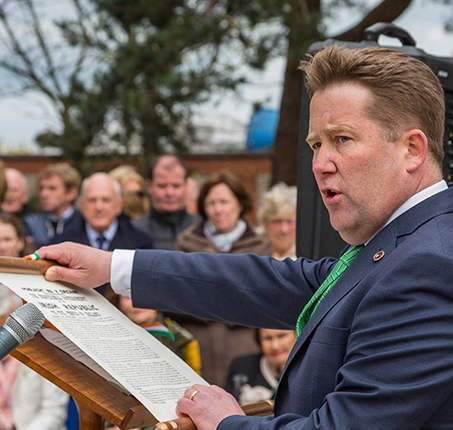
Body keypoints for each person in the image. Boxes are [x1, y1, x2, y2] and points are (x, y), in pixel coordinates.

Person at [37, 44, 453, 430]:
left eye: (342, 139)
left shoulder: (428, 264)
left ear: (412, 150)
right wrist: (111, 267)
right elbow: (269, 284)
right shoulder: (403, 245)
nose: (320, 164)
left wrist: (226, 423)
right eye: (315, 144)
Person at [173, 171, 271, 384]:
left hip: (244, 349)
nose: (218, 210)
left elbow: (261, 298)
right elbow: (177, 297)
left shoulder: (260, 246)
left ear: (240, 204)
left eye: (224, 202)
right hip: (197, 350)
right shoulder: (185, 244)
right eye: (211, 203)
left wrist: (205, 295)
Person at [0, 212, 69, 430]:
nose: (1, 247)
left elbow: (54, 412)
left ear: (21, 242)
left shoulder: (37, 291)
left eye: (7, 239)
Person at [52, 173, 154, 293]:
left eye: (106, 200)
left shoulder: (141, 243)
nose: (99, 207)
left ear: (119, 205)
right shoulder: (61, 244)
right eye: (92, 200)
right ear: (82, 205)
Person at [133, 155, 199, 249]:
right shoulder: (134, 231)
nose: (169, 193)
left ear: (186, 186)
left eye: (176, 186)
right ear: (149, 186)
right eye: (162, 186)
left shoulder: (203, 229)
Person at [224, 329, 296, 405]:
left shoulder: (307, 373)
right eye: (268, 338)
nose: (275, 346)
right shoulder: (242, 367)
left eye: (282, 336)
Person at [24, 163, 83, 248]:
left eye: (52, 188)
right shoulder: (30, 223)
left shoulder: (84, 224)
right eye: (41, 188)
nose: (44, 194)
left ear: (71, 193)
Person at [258, 182, 297, 260]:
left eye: (289, 222)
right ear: (266, 225)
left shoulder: (309, 259)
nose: (284, 230)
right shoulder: (254, 256)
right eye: (277, 222)